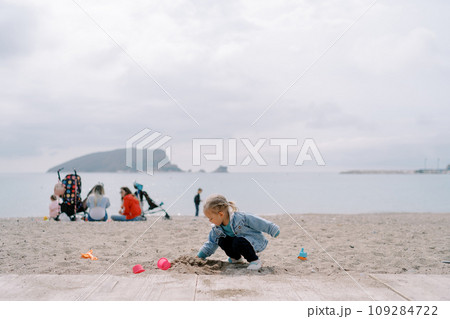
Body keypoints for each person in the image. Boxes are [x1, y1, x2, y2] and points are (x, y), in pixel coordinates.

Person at [196, 194, 280, 270]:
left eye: (211, 218)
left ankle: (255, 260)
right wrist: (200, 256)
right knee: (221, 240)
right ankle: (236, 258)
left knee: (238, 241)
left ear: (221, 214)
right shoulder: (217, 229)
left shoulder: (240, 218)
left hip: (253, 242)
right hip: (237, 245)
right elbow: (211, 243)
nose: (210, 221)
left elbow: (258, 222)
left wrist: (272, 229)